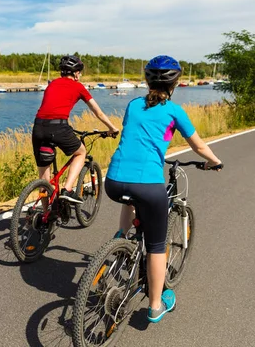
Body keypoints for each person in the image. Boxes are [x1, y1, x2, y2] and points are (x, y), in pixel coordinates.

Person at [104, 55, 223, 323]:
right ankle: (156, 305)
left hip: (112, 181)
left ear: (147, 81)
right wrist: (214, 161)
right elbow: (198, 146)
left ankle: (121, 239)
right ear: (176, 84)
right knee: (157, 247)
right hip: (148, 185)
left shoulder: (133, 105)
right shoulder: (174, 111)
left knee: (129, 198)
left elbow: (134, 136)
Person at [33, 55, 119, 204]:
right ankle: (68, 189)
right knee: (81, 152)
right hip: (58, 127)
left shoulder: (52, 84)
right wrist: (112, 128)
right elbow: (98, 112)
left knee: (44, 179)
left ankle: (44, 219)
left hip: (38, 127)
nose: (80, 75)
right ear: (75, 73)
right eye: (79, 72)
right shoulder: (78, 87)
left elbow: (50, 108)